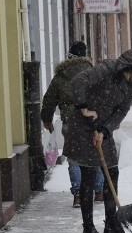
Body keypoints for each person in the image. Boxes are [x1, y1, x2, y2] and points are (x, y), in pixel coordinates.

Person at [63, 46, 132, 233]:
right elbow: (78, 82)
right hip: (83, 127)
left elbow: (121, 111)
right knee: (88, 176)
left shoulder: (131, 84)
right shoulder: (107, 69)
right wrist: (84, 108)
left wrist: (105, 130)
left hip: (102, 129)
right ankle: (88, 229)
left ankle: (111, 225)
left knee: (112, 172)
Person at [40, 41, 105, 208]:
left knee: (74, 157)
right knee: (96, 153)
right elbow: (104, 96)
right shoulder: (94, 74)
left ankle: (78, 195)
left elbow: (49, 100)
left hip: (70, 121)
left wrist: (46, 119)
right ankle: (98, 192)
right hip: (92, 119)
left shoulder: (61, 76)